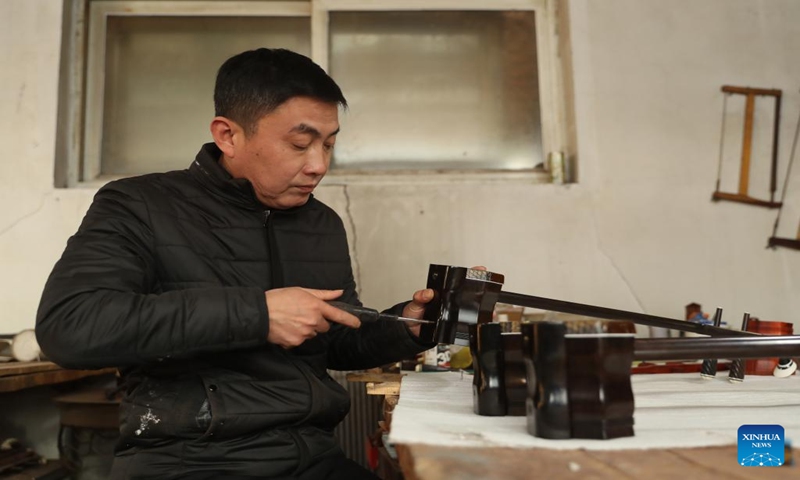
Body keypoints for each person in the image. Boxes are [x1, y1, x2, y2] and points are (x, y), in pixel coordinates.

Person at [36, 48, 436, 480]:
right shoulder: (138, 205)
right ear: (228, 136)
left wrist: (405, 327)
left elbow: (335, 340)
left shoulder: (320, 223)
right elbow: (69, 327)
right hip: (188, 460)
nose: (318, 165)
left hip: (313, 457)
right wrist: (257, 314)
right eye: (299, 144)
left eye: (329, 144)